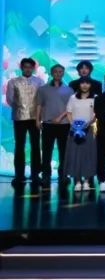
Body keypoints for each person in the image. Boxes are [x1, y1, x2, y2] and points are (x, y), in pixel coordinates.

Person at [36, 64, 72, 189]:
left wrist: (60, 118)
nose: (58, 73)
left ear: (63, 73)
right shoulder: (43, 89)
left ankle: (63, 175)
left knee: (64, 151)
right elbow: (39, 105)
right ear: (51, 73)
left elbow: (70, 107)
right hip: (48, 124)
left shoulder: (68, 90)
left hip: (64, 124)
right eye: (55, 71)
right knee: (46, 151)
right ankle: (46, 176)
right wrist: (37, 120)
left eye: (60, 71)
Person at [7, 57, 41, 186]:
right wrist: (20, 109)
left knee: (36, 146)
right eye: (25, 67)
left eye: (30, 67)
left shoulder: (39, 81)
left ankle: (35, 175)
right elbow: (10, 99)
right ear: (21, 68)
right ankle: (19, 175)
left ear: (33, 68)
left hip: (35, 118)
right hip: (19, 118)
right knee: (19, 146)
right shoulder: (13, 82)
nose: (28, 69)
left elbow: (41, 100)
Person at [61, 77, 98, 192]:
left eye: (87, 83)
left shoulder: (95, 98)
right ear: (79, 85)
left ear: (90, 85)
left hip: (89, 130)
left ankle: (86, 181)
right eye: (82, 83)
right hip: (75, 131)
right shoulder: (73, 98)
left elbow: (96, 114)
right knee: (75, 155)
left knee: (88, 156)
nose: (85, 85)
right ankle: (77, 181)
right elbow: (69, 112)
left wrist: (89, 123)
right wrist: (73, 125)